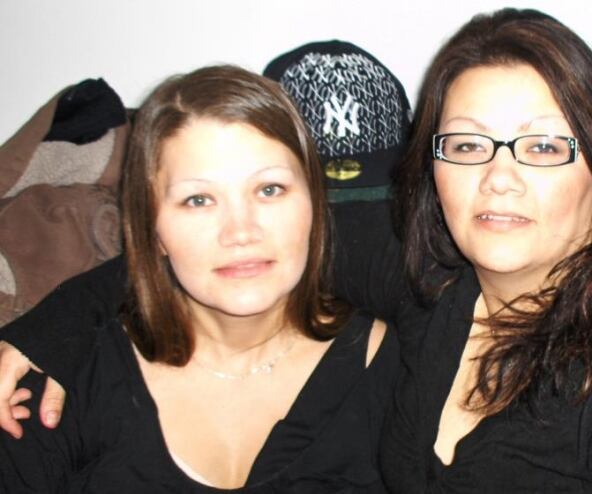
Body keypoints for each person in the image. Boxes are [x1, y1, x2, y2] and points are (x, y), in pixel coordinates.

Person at [1, 8, 592, 493]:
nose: (498, 179)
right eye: (468, 145)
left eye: (544, 147)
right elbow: (252, 250)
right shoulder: (434, 280)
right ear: (431, 168)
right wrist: (46, 331)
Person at [0, 64, 398, 492]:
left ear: (317, 205)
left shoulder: (400, 372)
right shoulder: (63, 380)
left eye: (269, 190)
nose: (241, 232)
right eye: (198, 200)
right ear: (152, 228)